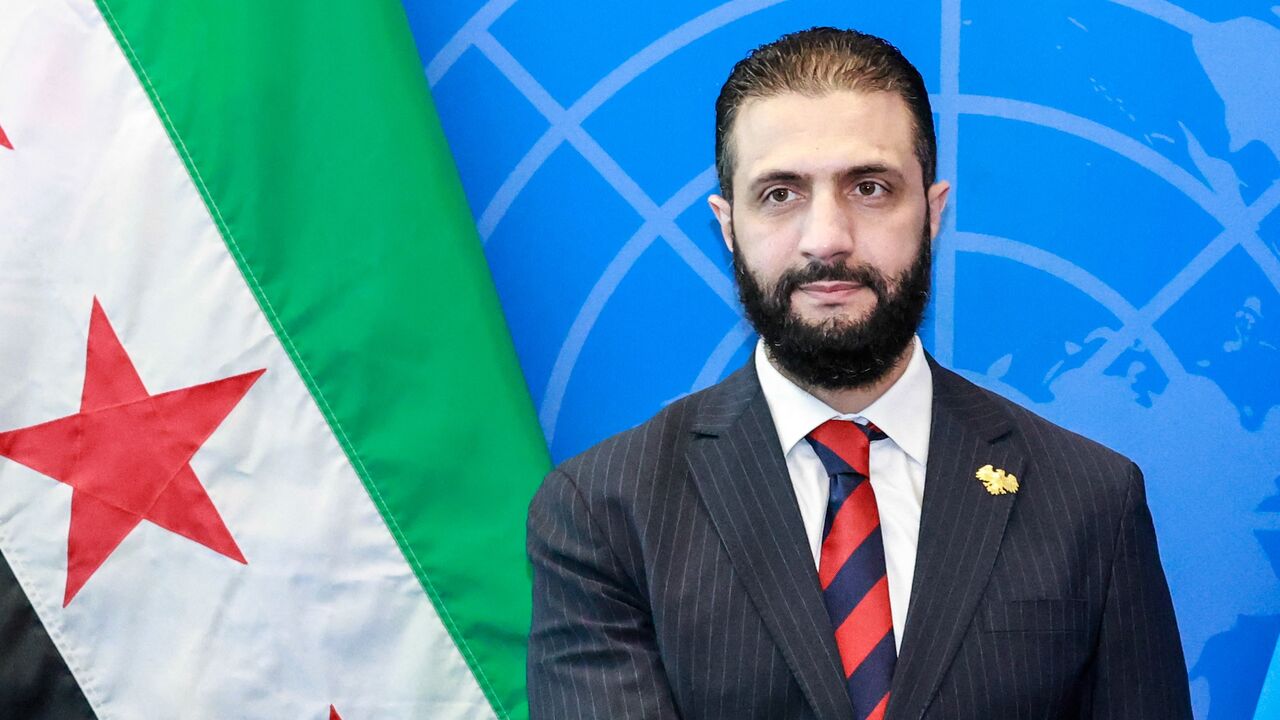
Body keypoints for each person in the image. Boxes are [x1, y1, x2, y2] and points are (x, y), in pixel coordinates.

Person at [526, 27, 1192, 720]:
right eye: (780, 194)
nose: (827, 238)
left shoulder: (1090, 501)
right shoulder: (604, 514)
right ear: (727, 225)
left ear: (932, 213)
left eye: (869, 188)